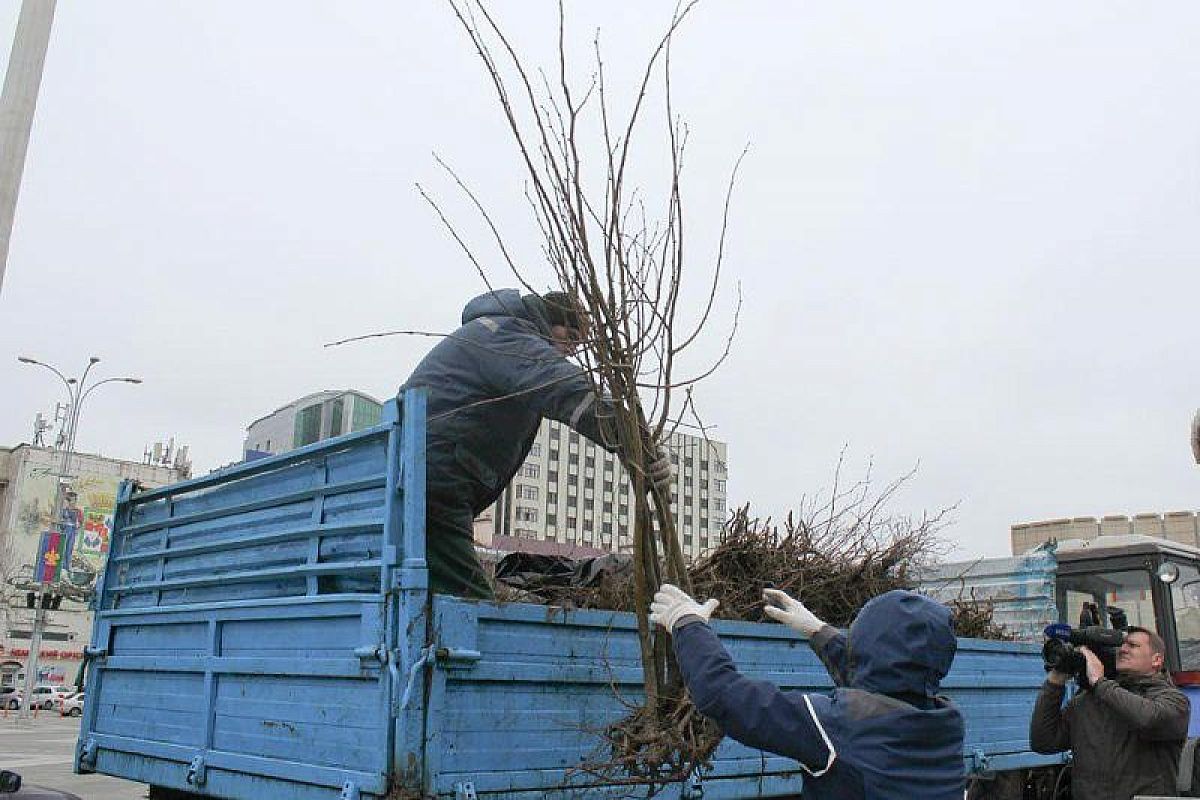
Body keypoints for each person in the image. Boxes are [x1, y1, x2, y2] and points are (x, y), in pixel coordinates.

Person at [401, 288, 671, 598]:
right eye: (569, 336)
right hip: (435, 484)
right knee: (472, 609)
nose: (570, 349)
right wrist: (639, 444)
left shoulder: (488, 332)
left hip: (424, 479)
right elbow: (567, 390)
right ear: (548, 320)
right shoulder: (507, 337)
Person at [649, 584, 966, 799]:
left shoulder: (836, 729)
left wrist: (688, 623)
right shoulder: (945, 724)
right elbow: (889, 679)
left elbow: (723, 694)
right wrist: (820, 632)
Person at [1029, 626, 1190, 800]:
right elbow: (1043, 741)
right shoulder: (1088, 700)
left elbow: (1149, 719)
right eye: (1121, 645)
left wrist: (1100, 682)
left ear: (1156, 660)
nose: (1123, 649)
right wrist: (1056, 679)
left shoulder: (1173, 700)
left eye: (1132, 645)